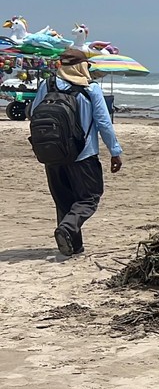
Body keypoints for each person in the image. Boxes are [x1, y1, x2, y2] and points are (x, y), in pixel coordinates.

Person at [32, 48, 124, 256]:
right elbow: (104, 123)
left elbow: (33, 112)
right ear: (82, 67)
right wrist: (114, 151)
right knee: (90, 197)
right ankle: (66, 229)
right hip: (83, 155)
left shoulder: (47, 85)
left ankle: (74, 246)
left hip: (52, 153)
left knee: (64, 200)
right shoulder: (90, 89)